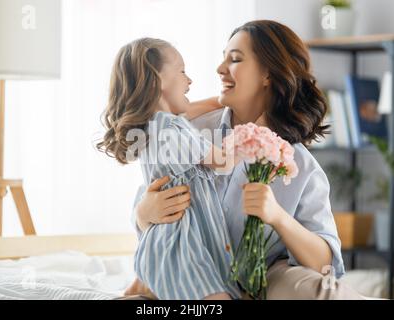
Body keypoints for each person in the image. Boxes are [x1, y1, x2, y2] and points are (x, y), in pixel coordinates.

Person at [127, 20, 364, 300]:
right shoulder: (189, 130)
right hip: (193, 269)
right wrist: (142, 216)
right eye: (223, 57)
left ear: (268, 74)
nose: (220, 69)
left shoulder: (299, 163)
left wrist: (277, 216)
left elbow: (325, 262)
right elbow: (154, 191)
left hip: (265, 275)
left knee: (323, 291)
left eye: (235, 59)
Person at [97, 37, 242, 300]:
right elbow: (223, 161)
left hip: (170, 237)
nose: (190, 81)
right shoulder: (172, 131)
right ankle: (144, 286)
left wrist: (227, 99)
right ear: (158, 81)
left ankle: (144, 286)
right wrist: (251, 138)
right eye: (183, 71)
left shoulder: (157, 124)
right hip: (179, 242)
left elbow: (191, 110)